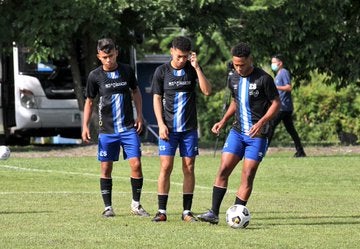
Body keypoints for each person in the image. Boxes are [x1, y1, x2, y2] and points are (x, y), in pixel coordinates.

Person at [197, 42, 280, 224]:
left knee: (247, 174)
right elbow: (236, 101)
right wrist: (223, 121)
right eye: (236, 64)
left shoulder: (264, 79)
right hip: (237, 132)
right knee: (223, 169)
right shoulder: (233, 78)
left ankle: (235, 215)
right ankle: (213, 213)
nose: (239, 68)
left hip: (257, 135)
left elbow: (276, 103)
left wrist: (261, 122)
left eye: (242, 64)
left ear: (250, 60)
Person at [82, 38, 149, 218]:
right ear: (99, 57)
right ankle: (108, 207)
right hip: (107, 131)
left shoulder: (126, 71)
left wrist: (140, 116)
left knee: (136, 164)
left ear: (116, 53)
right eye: (104, 57)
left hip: (128, 128)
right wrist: (85, 126)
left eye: (111, 56)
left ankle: (136, 205)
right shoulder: (94, 76)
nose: (108, 60)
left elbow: (136, 92)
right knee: (106, 168)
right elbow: (89, 101)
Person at [151, 36, 212, 222]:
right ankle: (162, 211)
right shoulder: (161, 71)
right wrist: (160, 124)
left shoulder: (191, 70)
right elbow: (156, 98)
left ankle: (186, 211)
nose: (182, 60)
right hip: (168, 129)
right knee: (166, 167)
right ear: (172, 51)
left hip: (189, 130)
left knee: (189, 167)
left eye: (185, 56)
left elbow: (207, 91)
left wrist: (197, 67)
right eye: (179, 56)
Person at [268, 54, 306, 157]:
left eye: (274, 62)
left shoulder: (284, 72)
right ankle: (300, 151)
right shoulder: (278, 74)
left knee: (270, 126)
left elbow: (288, 87)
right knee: (291, 130)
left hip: (283, 107)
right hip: (284, 107)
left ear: (280, 63)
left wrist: (276, 87)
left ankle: (261, 150)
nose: (272, 64)